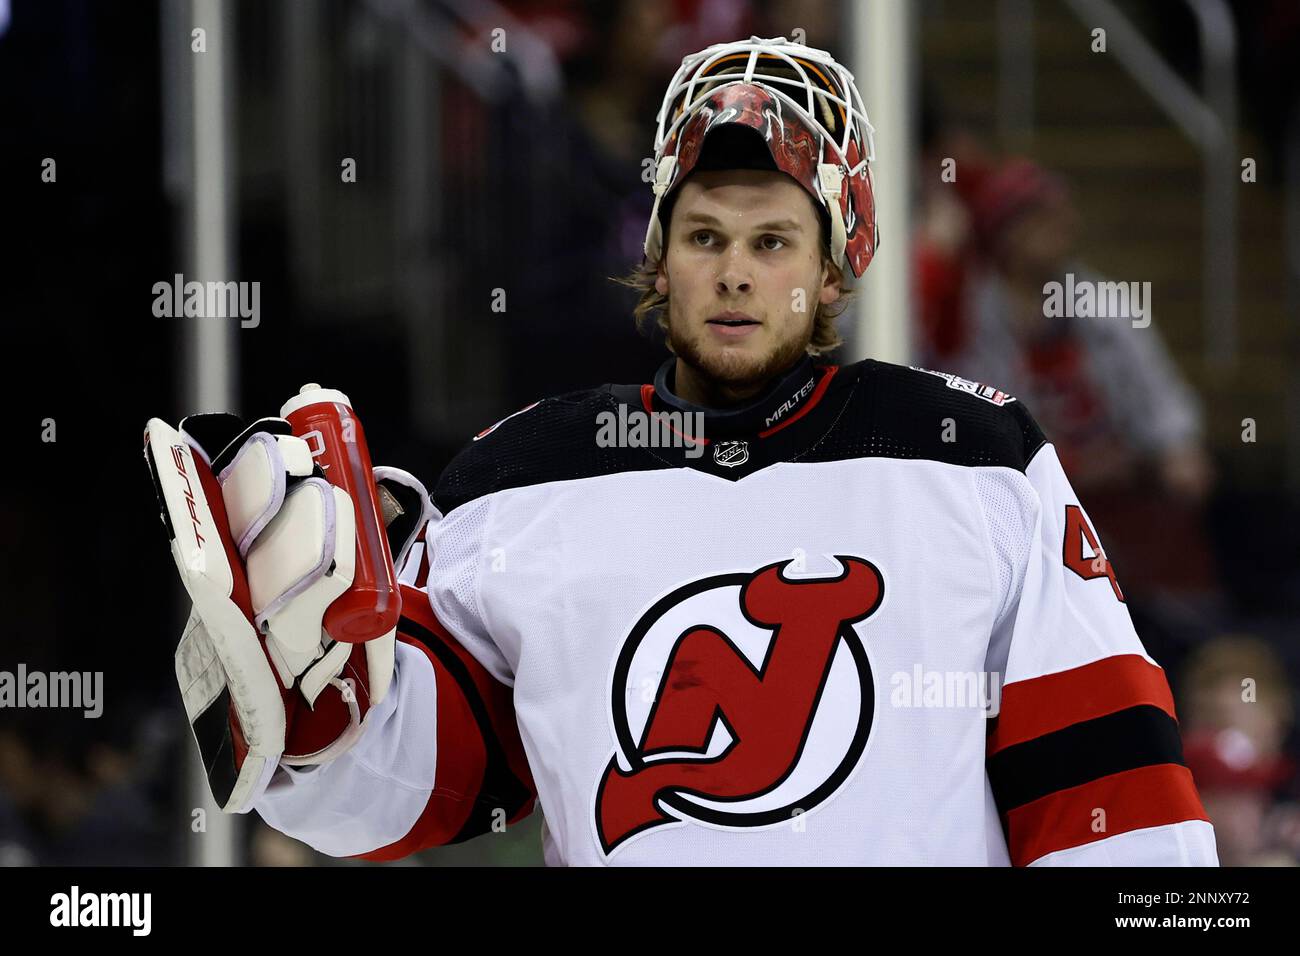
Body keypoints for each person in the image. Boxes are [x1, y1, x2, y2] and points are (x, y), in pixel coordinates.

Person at [153, 37, 1217, 865]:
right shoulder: (518, 478)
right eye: (704, 237)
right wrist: (313, 711)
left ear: (836, 268)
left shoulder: (972, 453)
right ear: (656, 259)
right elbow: (412, 790)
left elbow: (1106, 783)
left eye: (772, 242)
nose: (736, 273)